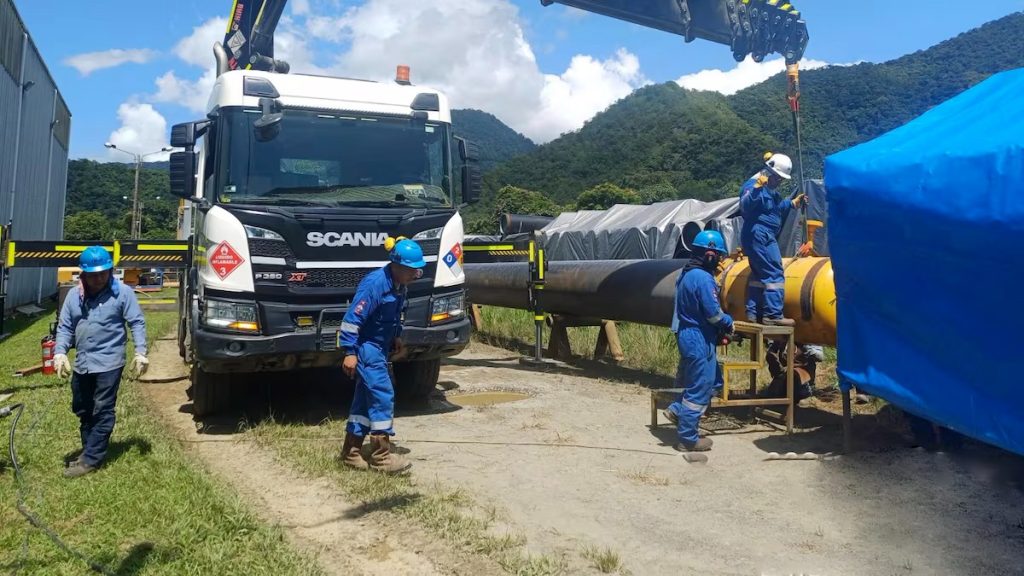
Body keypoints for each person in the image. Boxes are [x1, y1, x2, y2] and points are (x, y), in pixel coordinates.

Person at [54, 246, 148, 479]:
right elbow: (65, 326)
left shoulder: (123, 293)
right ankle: (89, 449)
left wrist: (140, 352)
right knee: (82, 407)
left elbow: (136, 322)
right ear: (83, 274)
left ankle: (91, 459)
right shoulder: (74, 296)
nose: (98, 279)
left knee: (103, 409)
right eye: (93, 275)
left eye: (103, 273)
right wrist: (60, 353)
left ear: (110, 271)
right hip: (83, 362)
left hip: (109, 362)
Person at [338, 237, 425, 474]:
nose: (415, 274)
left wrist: (396, 335)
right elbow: (352, 320)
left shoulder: (399, 285)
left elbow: (394, 315)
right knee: (382, 395)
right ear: (396, 265)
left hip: (380, 346)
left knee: (364, 401)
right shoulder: (375, 284)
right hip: (367, 348)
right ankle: (381, 458)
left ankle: (350, 453)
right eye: (411, 270)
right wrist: (349, 352)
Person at [662, 231, 734, 453]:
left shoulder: (686, 274)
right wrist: (728, 323)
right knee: (699, 388)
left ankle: (677, 409)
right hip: (698, 337)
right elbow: (713, 313)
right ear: (709, 254)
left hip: (692, 335)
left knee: (714, 382)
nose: (720, 260)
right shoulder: (703, 278)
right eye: (718, 255)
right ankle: (688, 439)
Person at [740, 152, 806, 326]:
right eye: (778, 178)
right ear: (769, 172)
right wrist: (756, 189)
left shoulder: (770, 190)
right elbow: (745, 206)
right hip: (759, 235)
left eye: (781, 179)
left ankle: (754, 313)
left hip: (761, 235)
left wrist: (792, 203)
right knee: (774, 272)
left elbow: (774, 208)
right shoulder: (753, 186)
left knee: (759, 274)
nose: (780, 181)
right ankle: (773, 315)